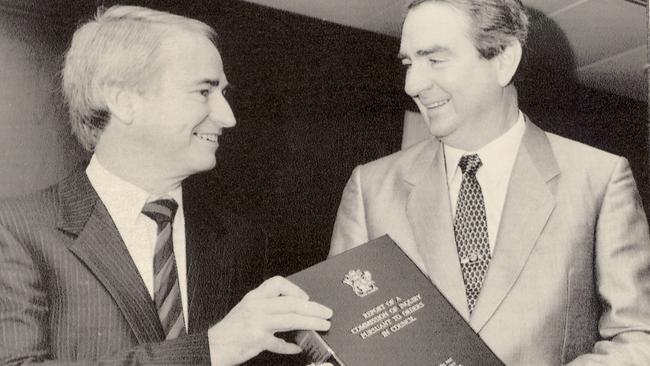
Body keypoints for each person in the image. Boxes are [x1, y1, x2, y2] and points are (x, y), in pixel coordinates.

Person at [0, 5, 332, 365]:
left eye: (223, 93)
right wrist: (209, 350)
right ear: (124, 100)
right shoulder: (16, 230)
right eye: (204, 91)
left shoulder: (240, 238)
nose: (228, 117)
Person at [329, 0, 650, 364]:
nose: (412, 84)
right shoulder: (370, 187)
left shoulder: (599, 179)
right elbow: (338, 337)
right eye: (408, 63)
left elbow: (638, 338)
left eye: (434, 60)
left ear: (503, 60)